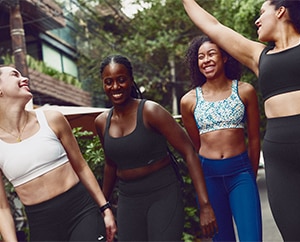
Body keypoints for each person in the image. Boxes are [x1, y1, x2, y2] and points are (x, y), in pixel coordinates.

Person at [182, 0, 300, 241]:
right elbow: (212, 25)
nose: (257, 21)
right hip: (282, 160)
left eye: (261, 13)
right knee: (296, 236)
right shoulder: (259, 55)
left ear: (280, 11)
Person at [94, 54, 217, 241]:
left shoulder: (151, 111)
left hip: (163, 193)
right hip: (128, 198)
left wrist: (205, 205)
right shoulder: (102, 122)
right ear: (103, 85)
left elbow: (189, 152)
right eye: (108, 82)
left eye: (121, 80)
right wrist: (103, 207)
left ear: (131, 80)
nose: (115, 87)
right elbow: (111, 165)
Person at [0, 65, 117, 241]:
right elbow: (2, 207)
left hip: (81, 212)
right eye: (15, 75)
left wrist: (105, 208)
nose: (25, 78)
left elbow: (81, 167)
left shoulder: (52, 119)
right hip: (42, 225)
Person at [180, 35, 262, 242]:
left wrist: (250, 177)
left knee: (251, 238)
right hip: (209, 177)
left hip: (241, 174)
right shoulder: (189, 101)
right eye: (200, 57)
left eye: (211, 54)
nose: (205, 60)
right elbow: (195, 147)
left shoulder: (245, 91)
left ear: (225, 57)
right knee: (221, 239)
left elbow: (253, 139)